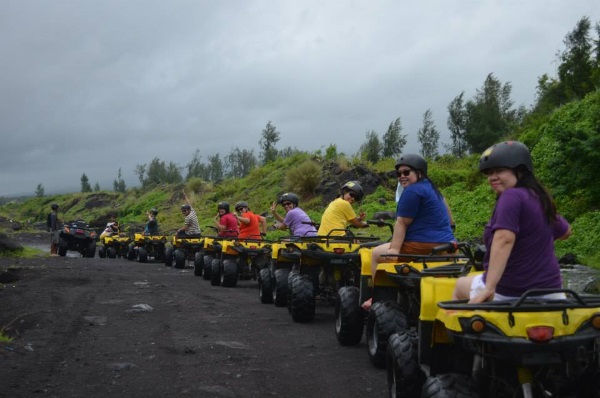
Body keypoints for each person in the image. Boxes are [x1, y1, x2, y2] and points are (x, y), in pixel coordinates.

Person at [453, 141, 572, 303]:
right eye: (489, 173)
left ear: (521, 171)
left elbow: (504, 239)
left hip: (510, 291)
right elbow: (565, 232)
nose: (493, 177)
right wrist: (532, 243)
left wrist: (489, 288)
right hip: (552, 291)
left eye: (500, 171)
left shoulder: (510, 196)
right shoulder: (540, 198)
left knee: (460, 286)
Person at [364, 154, 455, 310]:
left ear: (419, 172)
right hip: (446, 246)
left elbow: (402, 222)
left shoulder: (412, 190)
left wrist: (394, 250)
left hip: (421, 245)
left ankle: (377, 299)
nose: (401, 177)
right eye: (398, 174)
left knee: (376, 254)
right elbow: (451, 220)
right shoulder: (433, 189)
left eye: (406, 172)